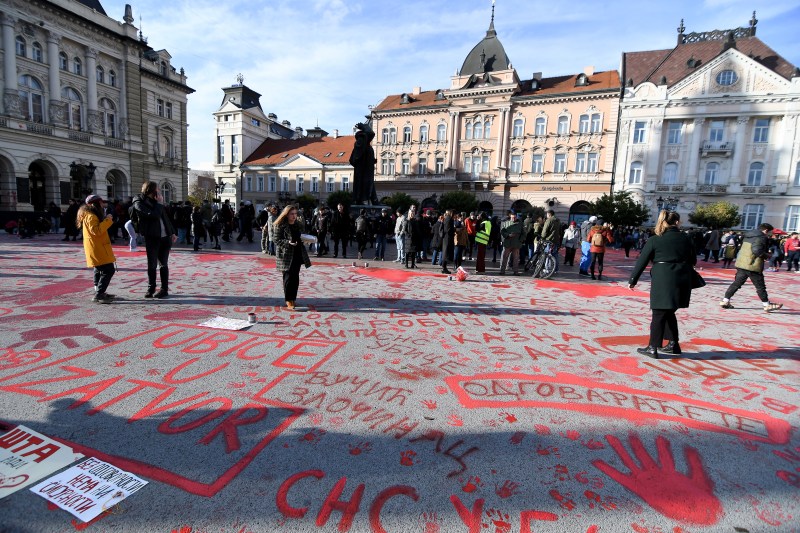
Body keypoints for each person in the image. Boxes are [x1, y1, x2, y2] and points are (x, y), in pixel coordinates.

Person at [628, 210, 696, 358]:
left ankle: (653, 347)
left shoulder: (655, 239)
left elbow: (642, 260)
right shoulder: (686, 238)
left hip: (663, 277)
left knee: (659, 313)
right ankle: (673, 344)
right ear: (677, 222)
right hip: (682, 278)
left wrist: (633, 280)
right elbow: (693, 260)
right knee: (669, 311)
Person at [720, 223, 783, 313]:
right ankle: (766, 304)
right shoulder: (761, 237)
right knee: (760, 286)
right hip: (752, 265)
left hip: (742, 263)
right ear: (765, 230)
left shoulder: (748, 235)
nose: (769, 234)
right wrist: (767, 255)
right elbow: (756, 250)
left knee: (736, 284)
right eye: (769, 232)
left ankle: (725, 301)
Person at [133, 181, 177, 299]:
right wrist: (159, 203)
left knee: (163, 264)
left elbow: (165, 218)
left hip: (165, 237)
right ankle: (151, 288)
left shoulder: (157, 203)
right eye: (156, 189)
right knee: (152, 265)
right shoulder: (139, 202)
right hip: (153, 237)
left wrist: (172, 232)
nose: (158, 191)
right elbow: (153, 215)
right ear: (151, 190)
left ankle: (164, 289)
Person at [77, 194, 116, 304]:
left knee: (100, 269)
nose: (103, 205)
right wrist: (108, 220)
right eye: (101, 202)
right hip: (97, 248)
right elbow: (96, 231)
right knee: (108, 270)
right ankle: (99, 294)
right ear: (97, 203)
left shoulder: (91, 214)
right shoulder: (91, 216)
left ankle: (100, 292)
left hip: (98, 247)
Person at [273, 205, 311, 310]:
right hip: (286, 255)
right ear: (286, 214)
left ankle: (293, 298)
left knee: (295, 278)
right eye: (292, 214)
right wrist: (288, 243)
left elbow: (301, 236)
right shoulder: (280, 225)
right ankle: (289, 300)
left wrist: (306, 240)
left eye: (295, 214)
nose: (294, 216)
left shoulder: (297, 224)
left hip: (297, 253)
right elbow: (276, 239)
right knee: (288, 278)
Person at [499, 211, 524, 276]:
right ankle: (502, 271)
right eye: (512, 218)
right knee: (504, 257)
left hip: (516, 244)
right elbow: (502, 231)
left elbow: (524, 233)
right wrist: (508, 235)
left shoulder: (520, 224)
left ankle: (516, 271)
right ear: (510, 217)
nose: (513, 219)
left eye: (515, 218)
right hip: (507, 243)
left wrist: (520, 241)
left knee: (516, 258)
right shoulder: (506, 223)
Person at [440, 209, 455, 274]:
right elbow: (448, 230)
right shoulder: (449, 219)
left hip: (446, 237)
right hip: (448, 238)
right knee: (446, 253)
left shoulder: (447, 218)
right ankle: (444, 267)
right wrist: (454, 230)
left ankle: (444, 267)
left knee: (445, 252)